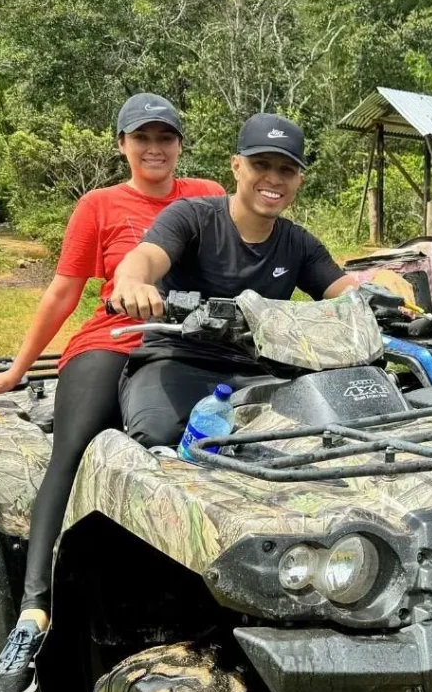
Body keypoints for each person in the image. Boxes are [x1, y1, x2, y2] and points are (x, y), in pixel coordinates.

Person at [0, 94, 225, 692]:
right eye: (142, 138)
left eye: (166, 137)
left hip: (195, 349)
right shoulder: (100, 205)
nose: (154, 148)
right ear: (122, 144)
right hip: (114, 340)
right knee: (75, 447)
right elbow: (62, 292)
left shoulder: (206, 193)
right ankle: (34, 616)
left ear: (181, 144)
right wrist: (15, 371)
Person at [111, 113, 357, 448]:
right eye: (261, 164)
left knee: (318, 442)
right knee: (157, 441)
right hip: (177, 360)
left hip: (259, 368)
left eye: (286, 170)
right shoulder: (191, 217)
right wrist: (132, 283)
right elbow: (147, 257)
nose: (273, 178)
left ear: (299, 179)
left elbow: (346, 293)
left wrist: (377, 292)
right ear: (236, 165)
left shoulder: (300, 244)